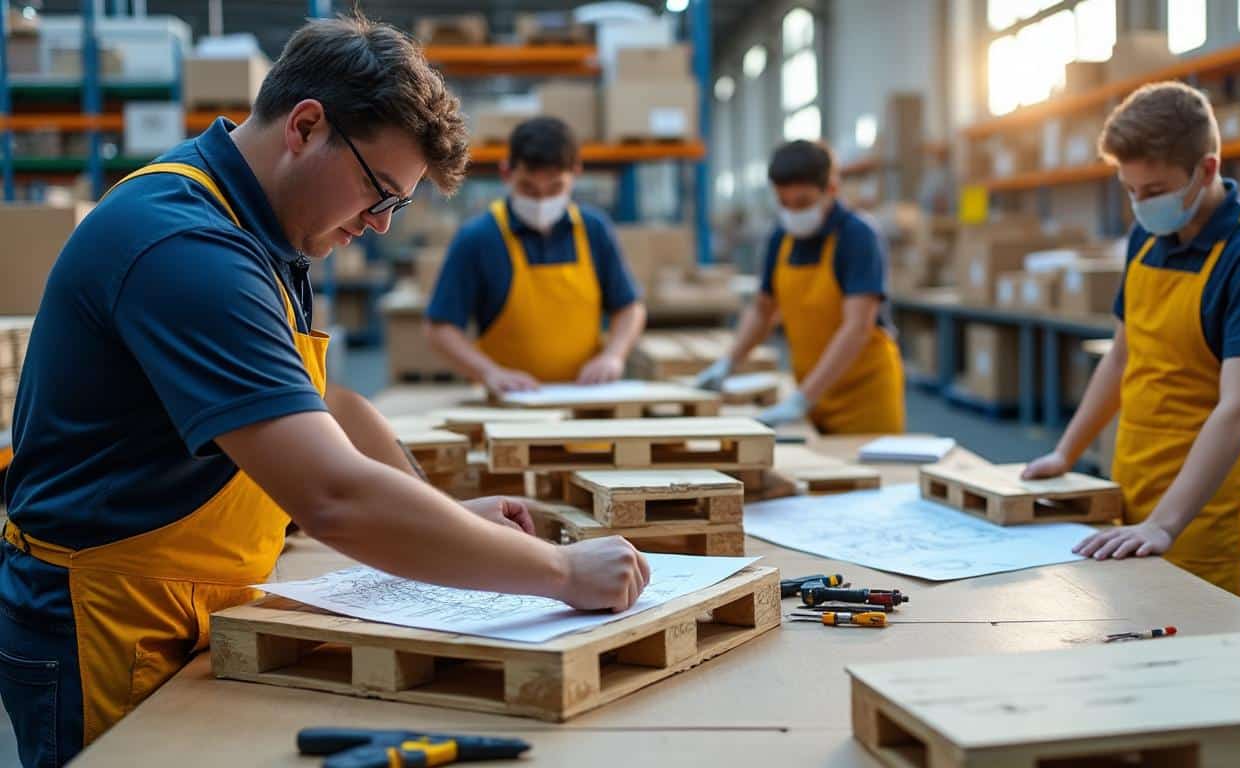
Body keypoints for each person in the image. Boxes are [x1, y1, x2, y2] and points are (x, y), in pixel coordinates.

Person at [0, 16, 648, 767]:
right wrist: (562, 574)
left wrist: (440, 512)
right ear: (306, 126)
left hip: (192, 601)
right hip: (108, 622)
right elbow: (332, 496)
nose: (375, 227)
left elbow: (324, 404)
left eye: (394, 209)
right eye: (379, 194)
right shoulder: (187, 248)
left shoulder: (259, 226)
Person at [1022, 82, 1240, 597]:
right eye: (1129, 191)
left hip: (1199, 509)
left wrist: (1166, 524)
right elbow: (1123, 355)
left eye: (1153, 192)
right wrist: (1066, 453)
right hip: (1129, 481)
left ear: (1208, 169)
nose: (1139, 206)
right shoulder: (1145, 236)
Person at [694, 140, 905, 433]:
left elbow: (857, 328)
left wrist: (802, 399)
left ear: (830, 189)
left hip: (864, 397)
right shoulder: (780, 239)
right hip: (811, 392)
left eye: (803, 203)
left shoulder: (858, 237)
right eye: (784, 203)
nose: (793, 212)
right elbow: (763, 311)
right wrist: (728, 363)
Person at [425, 117, 647, 394]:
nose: (542, 201)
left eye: (555, 189)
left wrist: (614, 355)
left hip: (587, 411)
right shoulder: (478, 238)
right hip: (508, 414)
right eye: (528, 188)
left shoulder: (595, 230)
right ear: (506, 173)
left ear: (575, 173)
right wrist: (489, 372)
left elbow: (629, 307)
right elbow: (440, 328)